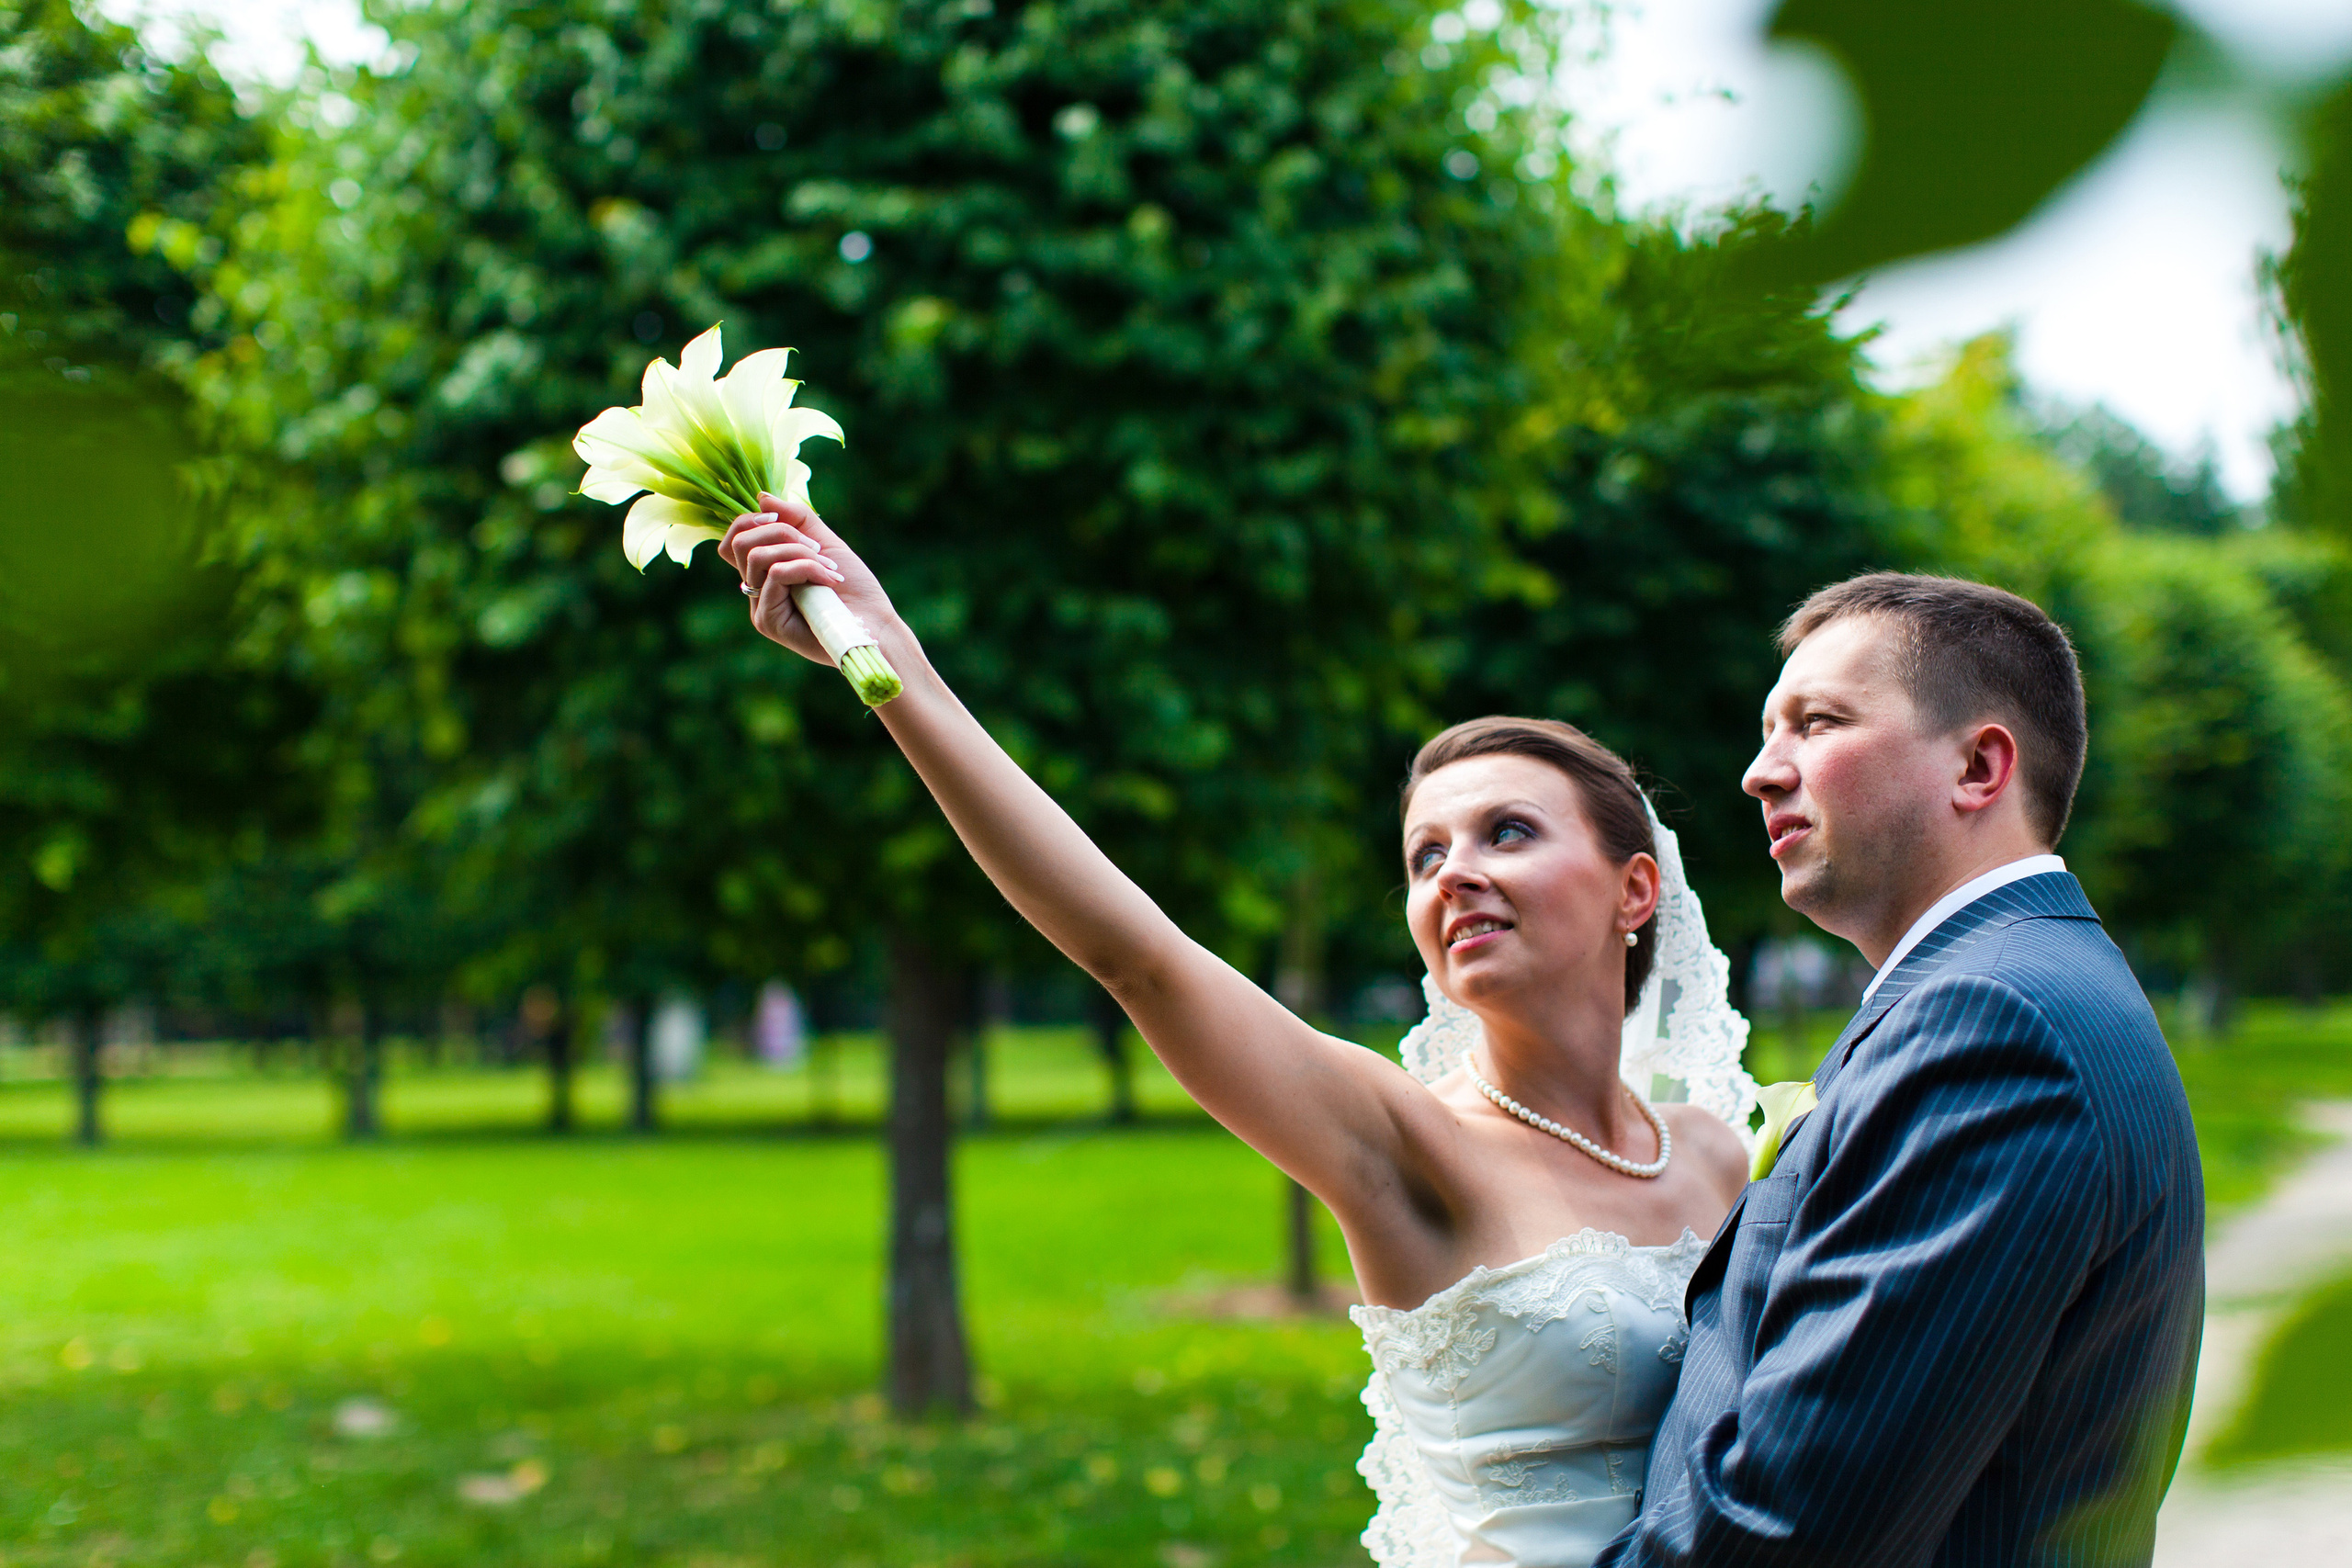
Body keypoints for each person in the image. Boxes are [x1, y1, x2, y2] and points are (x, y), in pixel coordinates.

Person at [719, 493, 1753, 1566]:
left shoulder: (1721, 1154)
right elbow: (1141, 961)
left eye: (1507, 832)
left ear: (1636, 892)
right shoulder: (1407, 1143)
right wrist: (896, 673)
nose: (1458, 875)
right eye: (1424, 856)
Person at [1598, 574, 2205, 1567]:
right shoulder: (2007, 986)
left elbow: (1796, 1524)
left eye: (1816, 723)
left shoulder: (1993, 1026)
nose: (1759, 771)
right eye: (1766, 730)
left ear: (1977, 765)